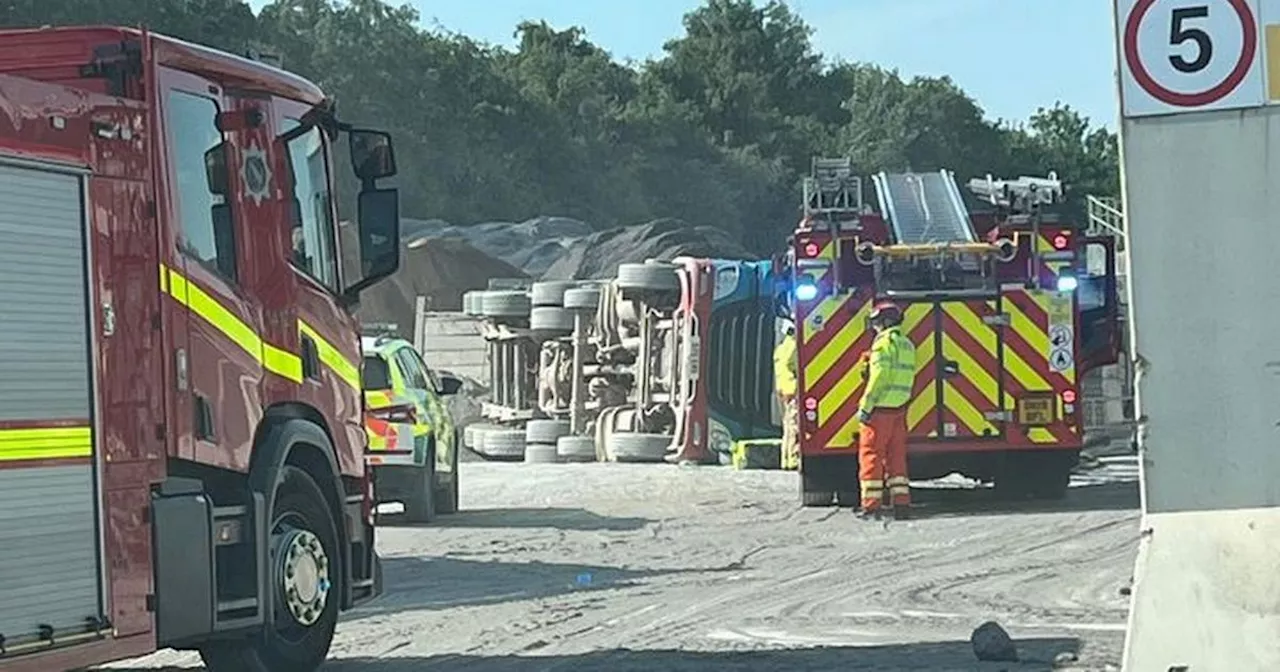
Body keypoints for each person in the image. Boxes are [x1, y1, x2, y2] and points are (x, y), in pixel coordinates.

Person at [854, 301, 917, 520]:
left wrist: (866, 406)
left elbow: (880, 378)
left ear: (884, 322)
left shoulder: (882, 345)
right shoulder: (907, 344)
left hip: (879, 409)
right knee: (896, 457)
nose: (875, 328)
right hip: (899, 409)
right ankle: (902, 505)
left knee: (871, 455)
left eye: (876, 323)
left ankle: (871, 507)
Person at [774, 323, 799, 469]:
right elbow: (792, 363)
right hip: (792, 388)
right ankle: (794, 459)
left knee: (788, 426)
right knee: (794, 426)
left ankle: (786, 459)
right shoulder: (793, 345)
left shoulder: (781, 348)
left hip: (783, 389)